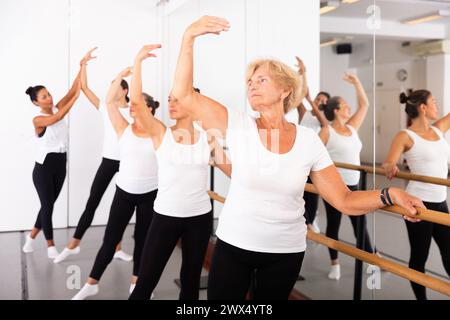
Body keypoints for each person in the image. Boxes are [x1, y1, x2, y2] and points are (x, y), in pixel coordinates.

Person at [170, 16, 423, 300]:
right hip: (234, 246)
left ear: (285, 90)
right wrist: (188, 37)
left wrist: (391, 195)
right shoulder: (239, 125)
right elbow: (183, 94)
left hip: (285, 252)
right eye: (250, 81)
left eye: (261, 79)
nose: (252, 85)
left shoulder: (308, 140)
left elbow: (344, 200)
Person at [127, 45, 231, 300]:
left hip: (199, 218)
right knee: (145, 282)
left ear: (193, 103)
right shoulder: (161, 132)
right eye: (170, 98)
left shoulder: (207, 137)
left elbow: (234, 171)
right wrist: (138, 62)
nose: (172, 103)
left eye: (179, 99)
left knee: (191, 283)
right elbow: (138, 103)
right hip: (165, 217)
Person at [72, 67, 159, 300]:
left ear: (149, 109)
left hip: (150, 194)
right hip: (125, 193)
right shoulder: (124, 128)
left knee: (142, 239)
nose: (132, 109)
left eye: (138, 106)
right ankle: (92, 282)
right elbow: (109, 101)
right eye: (132, 106)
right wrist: (123, 73)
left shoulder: (160, 133)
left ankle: (136, 283)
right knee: (110, 239)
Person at [54, 48, 132, 263]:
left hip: (129, 164)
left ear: (124, 90)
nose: (110, 92)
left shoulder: (135, 110)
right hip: (109, 160)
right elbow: (85, 88)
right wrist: (83, 65)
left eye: (115, 87)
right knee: (93, 201)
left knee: (121, 209)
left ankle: (116, 247)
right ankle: (74, 244)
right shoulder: (105, 108)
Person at [383, 90, 450, 300]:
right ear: (423, 107)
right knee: (420, 256)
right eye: (434, 102)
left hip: (440, 201)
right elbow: (389, 162)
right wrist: (390, 167)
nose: (437, 107)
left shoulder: (438, 130)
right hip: (417, 204)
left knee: (449, 252)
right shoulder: (405, 135)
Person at [22, 61, 82, 259]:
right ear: (36, 102)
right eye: (44, 96)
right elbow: (57, 118)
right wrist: (74, 100)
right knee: (48, 206)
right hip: (44, 168)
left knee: (48, 205)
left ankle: (30, 240)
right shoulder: (38, 120)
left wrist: (82, 67)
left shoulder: (57, 107)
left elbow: (74, 89)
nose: (49, 97)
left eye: (48, 93)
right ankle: (50, 246)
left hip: (60, 164)